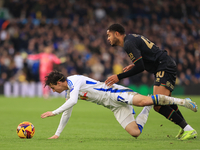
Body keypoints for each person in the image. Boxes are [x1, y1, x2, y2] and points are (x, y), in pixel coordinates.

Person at [41, 71, 197, 140]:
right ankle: (147, 109)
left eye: (53, 88)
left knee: (144, 100)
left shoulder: (74, 81)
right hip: (113, 106)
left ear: (59, 82)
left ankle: (183, 102)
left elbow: (73, 101)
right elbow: (68, 111)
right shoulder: (69, 92)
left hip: (114, 93)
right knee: (135, 133)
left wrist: (53, 112)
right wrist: (58, 133)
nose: (54, 91)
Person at [105, 24, 198, 140]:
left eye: (109, 35)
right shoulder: (131, 38)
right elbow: (147, 55)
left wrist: (119, 76)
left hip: (163, 66)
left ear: (117, 34)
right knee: (165, 102)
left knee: (158, 105)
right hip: (164, 65)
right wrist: (135, 64)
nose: (108, 38)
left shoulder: (128, 44)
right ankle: (184, 127)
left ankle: (188, 128)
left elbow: (140, 67)